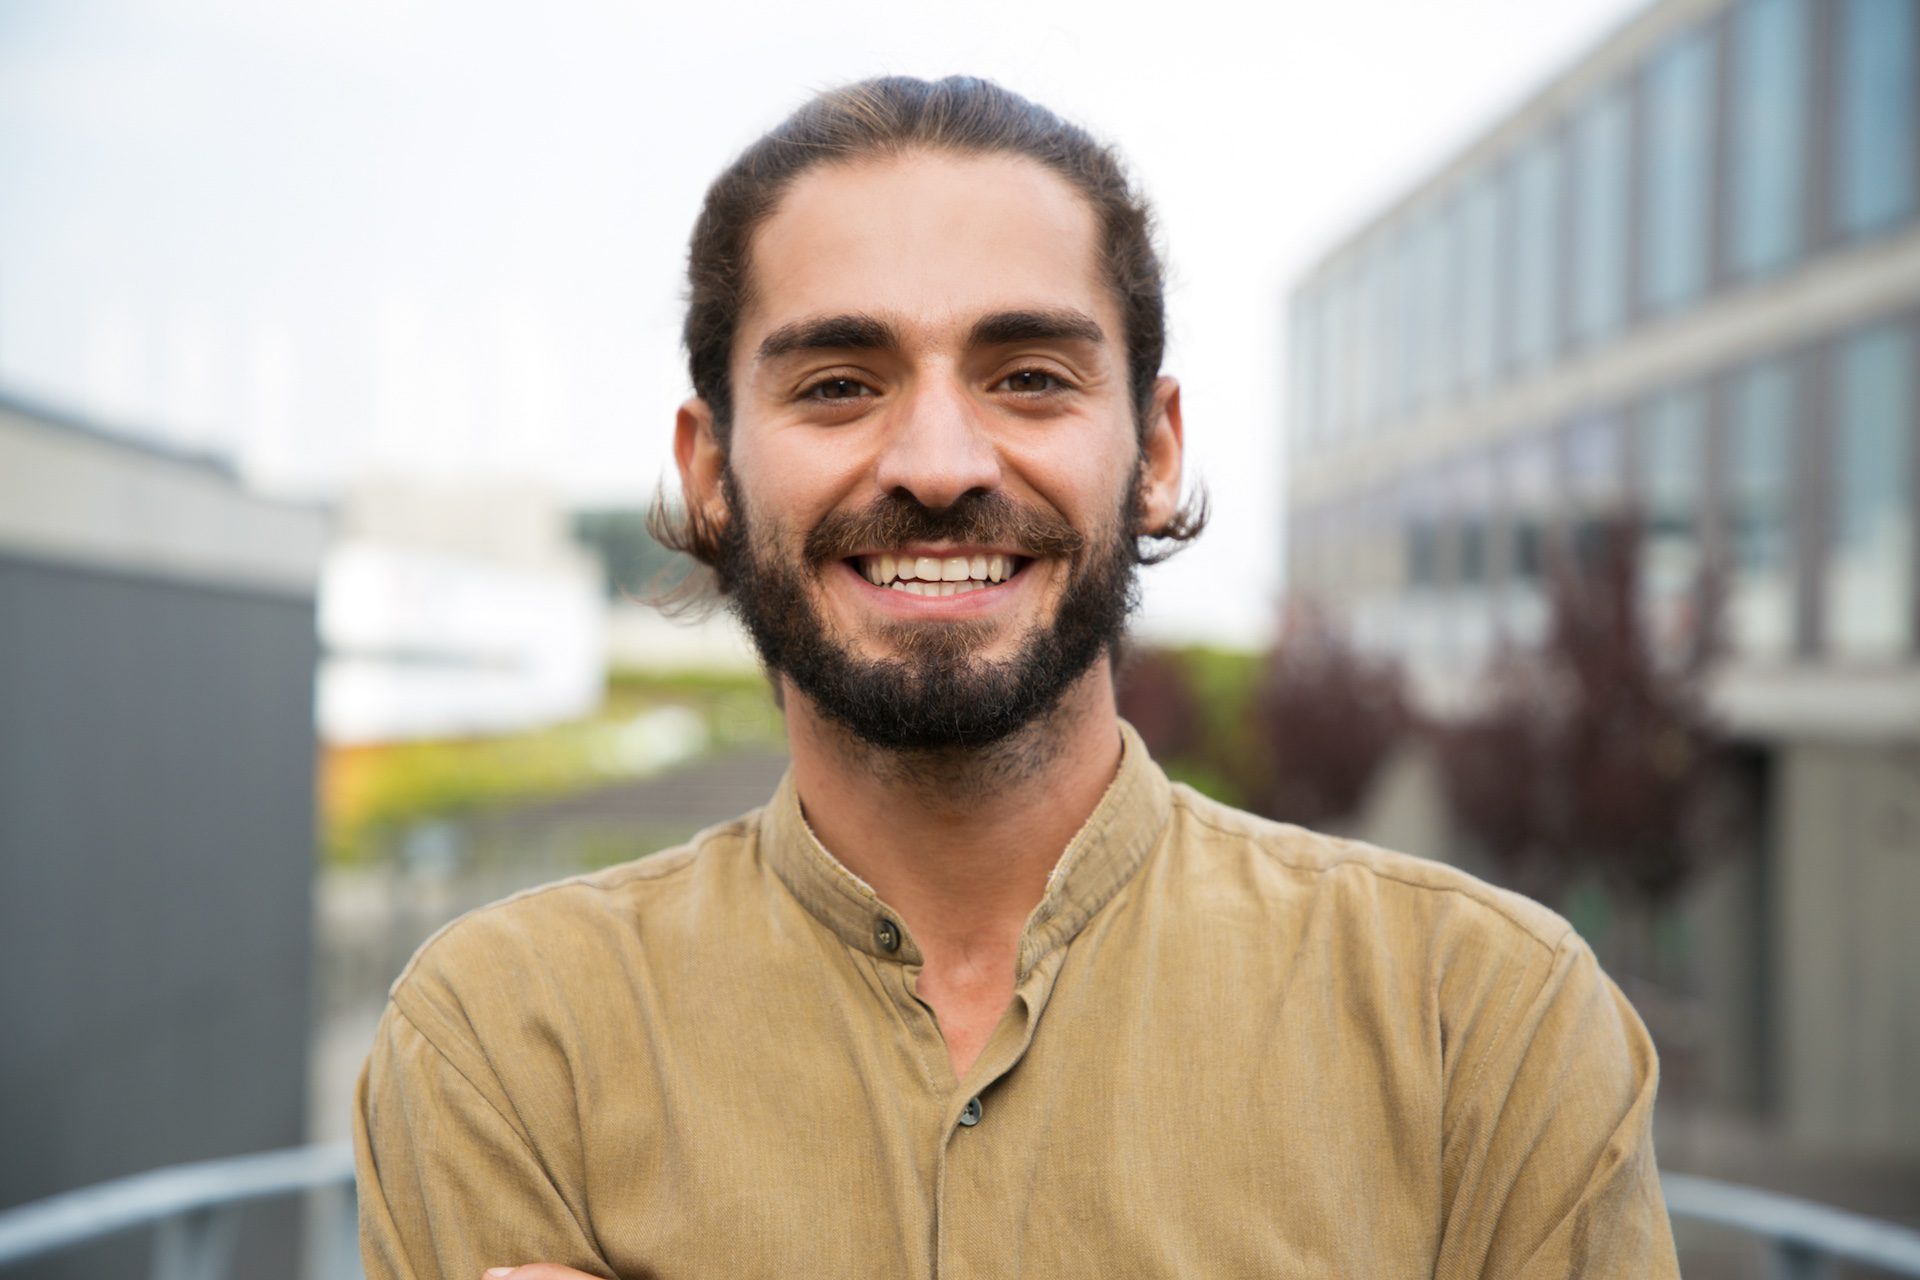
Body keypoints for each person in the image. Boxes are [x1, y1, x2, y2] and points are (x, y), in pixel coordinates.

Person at [353, 76, 1681, 1279]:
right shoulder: (505, 1043)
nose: (940, 463)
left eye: (1030, 377)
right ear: (709, 475)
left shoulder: (1486, 1024)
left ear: (1154, 452)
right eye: (837, 384)